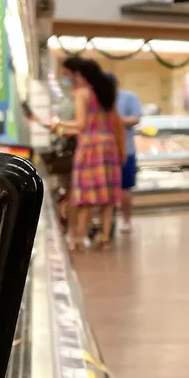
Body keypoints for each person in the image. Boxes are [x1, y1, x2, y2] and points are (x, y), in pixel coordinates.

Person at [60, 56, 124, 251]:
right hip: (108, 146)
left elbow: (80, 124)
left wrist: (57, 123)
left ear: (81, 75)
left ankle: (79, 238)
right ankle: (104, 238)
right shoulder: (107, 93)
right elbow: (116, 122)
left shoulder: (82, 94)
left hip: (89, 147)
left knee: (85, 196)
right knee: (107, 198)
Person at [115, 84, 143, 234]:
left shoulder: (128, 97)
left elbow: (136, 119)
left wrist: (115, 121)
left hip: (126, 151)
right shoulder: (98, 99)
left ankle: (126, 220)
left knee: (125, 188)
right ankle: (107, 224)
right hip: (104, 154)